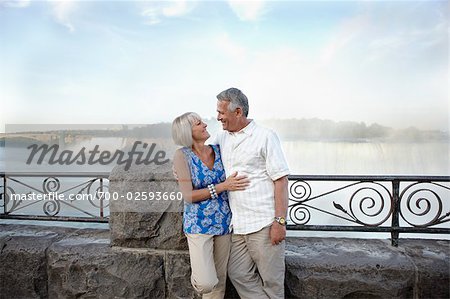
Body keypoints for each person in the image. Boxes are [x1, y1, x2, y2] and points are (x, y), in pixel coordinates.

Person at [213, 88, 290, 299]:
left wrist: (279, 222)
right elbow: (200, 155)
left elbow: (281, 181)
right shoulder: (222, 137)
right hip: (237, 226)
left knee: (272, 282)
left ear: (238, 112)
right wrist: (180, 163)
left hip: (264, 223)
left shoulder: (265, 136)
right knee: (237, 273)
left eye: (221, 112)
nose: (218, 117)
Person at [171, 112, 249, 299]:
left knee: (219, 281)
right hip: (198, 225)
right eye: (199, 123)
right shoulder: (182, 156)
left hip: (224, 223)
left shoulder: (219, 149)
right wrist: (223, 186)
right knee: (206, 282)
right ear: (187, 132)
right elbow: (188, 195)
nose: (205, 125)